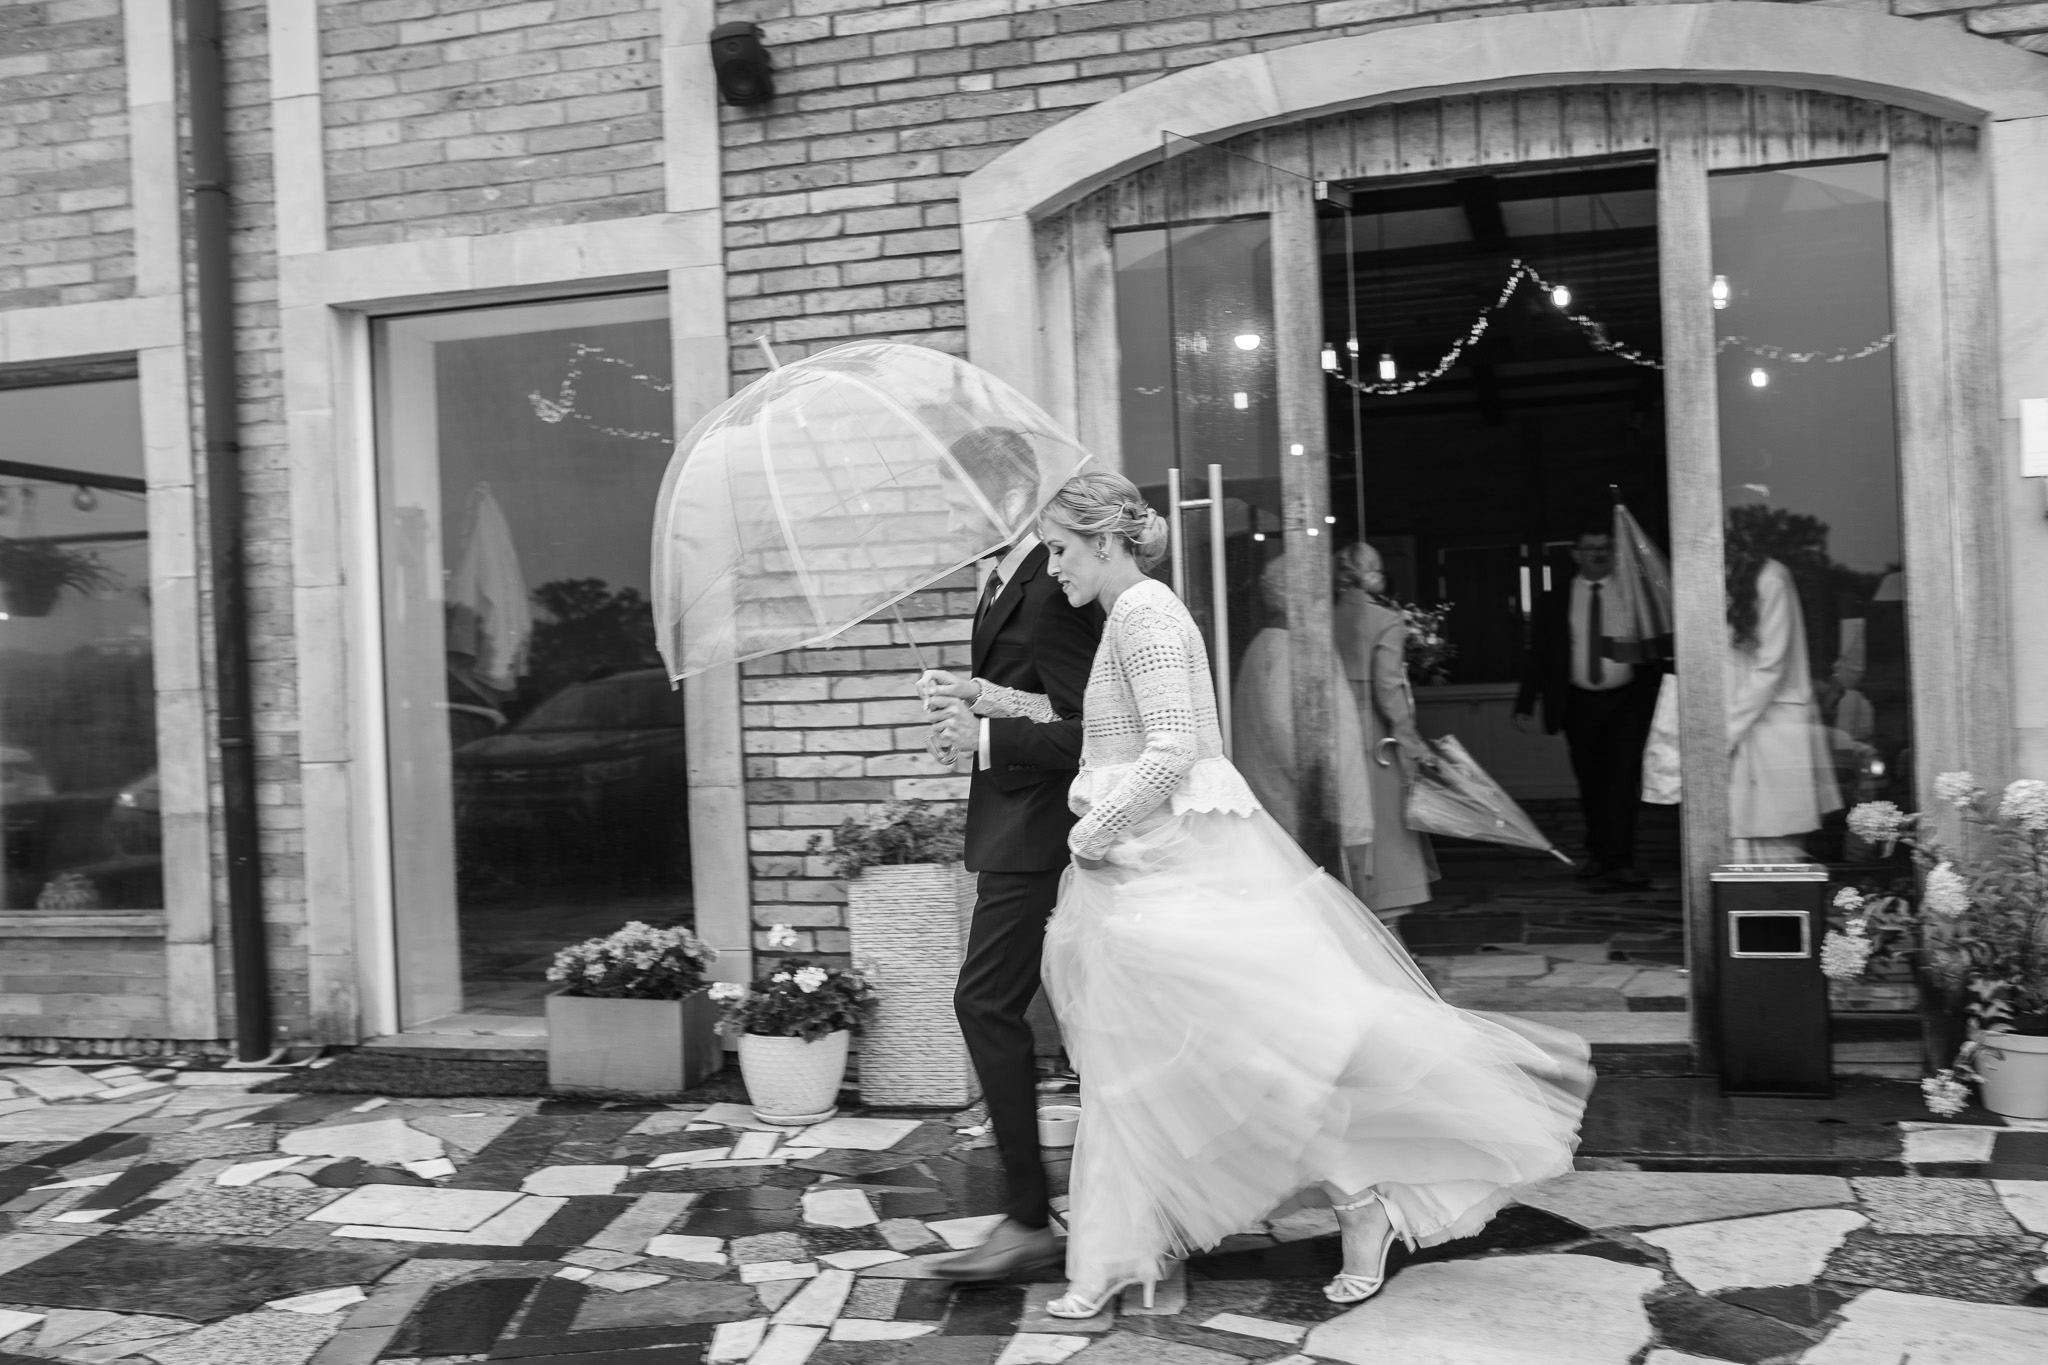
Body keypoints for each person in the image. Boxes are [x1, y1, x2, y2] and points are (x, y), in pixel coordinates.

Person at [930, 471, 1591, 1317]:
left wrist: (1089, 833)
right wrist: (986, 698)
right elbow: (1103, 730)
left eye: (1060, 549)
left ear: (1105, 541)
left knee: (1254, 1057)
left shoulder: (1145, 612)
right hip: (1133, 874)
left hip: (1161, 869)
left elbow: (1171, 749)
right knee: (1149, 1068)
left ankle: (1355, 1202)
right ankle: (1119, 1248)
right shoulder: (1125, 613)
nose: (1051, 567)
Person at [919, 435, 1104, 1283]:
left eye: (954, 496)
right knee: (1011, 1005)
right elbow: (1040, 699)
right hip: (1015, 825)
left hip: (1041, 832)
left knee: (985, 1002)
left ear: (1005, 498)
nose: (946, 514)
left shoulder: (1051, 587)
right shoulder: (1001, 580)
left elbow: (1091, 727)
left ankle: (1029, 1217)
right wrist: (975, 703)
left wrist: (988, 735)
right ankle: (1037, 1208)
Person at [1514, 529, 1662, 891]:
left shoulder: (1630, 595)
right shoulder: (1555, 600)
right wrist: (1525, 702)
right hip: (1579, 703)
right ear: (1576, 553)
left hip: (1627, 702)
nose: (1598, 554)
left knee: (1622, 781)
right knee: (1590, 781)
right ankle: (1599, 854)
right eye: (1591, 548)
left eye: (1605, 548)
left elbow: (1656, 645)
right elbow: (1541, 655)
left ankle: (1621, 860)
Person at [1333, 543, 1440, 919]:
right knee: (1382, 826)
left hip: (1330, 725)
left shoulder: (1321, 616)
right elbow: (1389, 689)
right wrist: (1411, 744)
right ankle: (1384, 914)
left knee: (1343, 819)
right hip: (1371, 732)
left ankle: (1345, 903)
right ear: (1374, 573)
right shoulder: (1384, 619)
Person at [1725, 536, 1842, 862]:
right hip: (1739, 722)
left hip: (1771, 725)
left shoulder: (1771, 577)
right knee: (1733, 846)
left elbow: (1771, 667)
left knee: (1778, 850)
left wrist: (1724, 732)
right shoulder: (1716, 573)